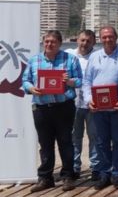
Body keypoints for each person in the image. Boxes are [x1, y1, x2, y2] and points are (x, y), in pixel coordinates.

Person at [22, 30, 82, 192]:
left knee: (66, 143)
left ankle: (68, 177)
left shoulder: (70, 59)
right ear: (43, 43)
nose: (49, 44)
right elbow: (25, 81)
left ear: (60, 43)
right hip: (41, 109)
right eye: (47, 41)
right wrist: (32, 89)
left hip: (64, 107)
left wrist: (69, 81)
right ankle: (45, 178)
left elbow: (80, 81)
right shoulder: (34, 60)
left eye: (53, 42)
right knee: (45, 144)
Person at [82, 26, 118, 190]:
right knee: (101, 142)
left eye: (110, 37)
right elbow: (87, 82)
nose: (107, 40)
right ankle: (105, 173)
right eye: (104, 37)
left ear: (116, 38)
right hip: (98, 109)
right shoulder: (95, 56)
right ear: (100, 39)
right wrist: (89, 100)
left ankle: (117, 173)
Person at [66, 29, 99, 181]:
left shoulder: (98, 56)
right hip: (72, 103)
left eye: (88, 41)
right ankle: (74, 167)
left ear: (94, 42)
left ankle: (96, 168)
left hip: (93, 104)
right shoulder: (68, 54)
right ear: (77, 40)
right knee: (74, 138)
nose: (85, 43)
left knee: (95, 137)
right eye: (82, 40)